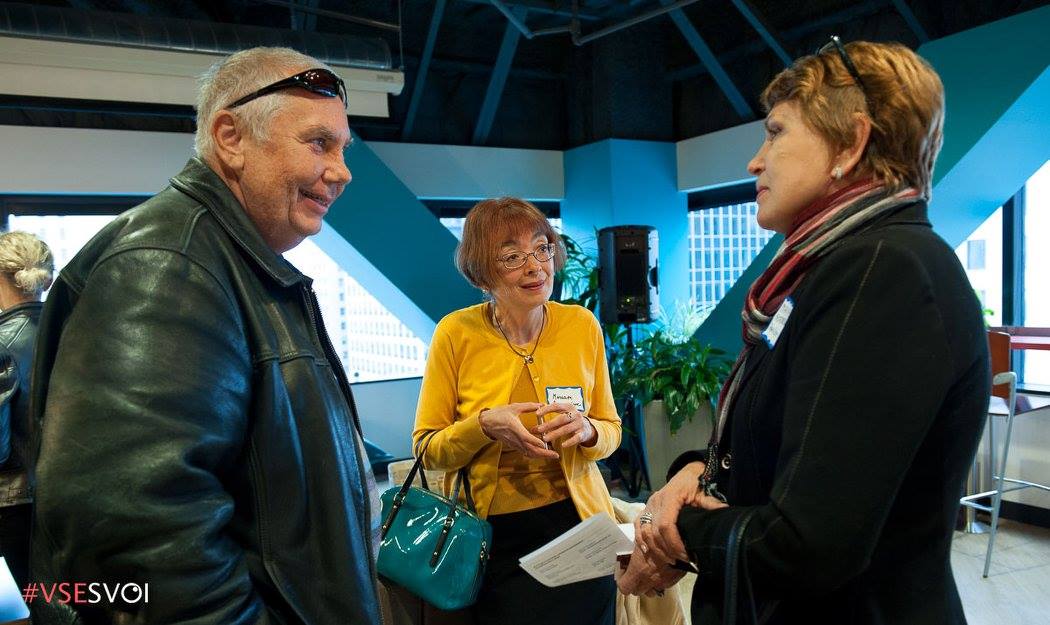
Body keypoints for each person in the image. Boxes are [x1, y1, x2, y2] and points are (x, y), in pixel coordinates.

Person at [617, 39, 989, 625]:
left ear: (850, 144)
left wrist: (670, 529)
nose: (755, 161)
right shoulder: (832, 269)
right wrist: (694, 472)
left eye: (776, 133)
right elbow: (782, 448)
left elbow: (807, 542)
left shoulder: (882, 271)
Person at [29, 47, 383, 624]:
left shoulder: (236, 265)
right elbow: (139, 541)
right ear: (231, 138)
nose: (342, 171)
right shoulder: (166, 266)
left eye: (343, 148)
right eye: (319, 143)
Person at [412, 197, 622, 625]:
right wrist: (483, 426)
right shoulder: (455, 333)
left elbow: (611, 428)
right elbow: (426, 449)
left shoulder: (581, 325)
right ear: (482, 273)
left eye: (542, 248)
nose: (535, 267)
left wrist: (588, 431)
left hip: (579, 523)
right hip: (491, 535)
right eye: (512, 257)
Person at [0, 232, 53, 590]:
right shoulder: (78, 333)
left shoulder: (2, 344)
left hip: (14, 506)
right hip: (72, 499)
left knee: (25, 603)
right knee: (65, 599)